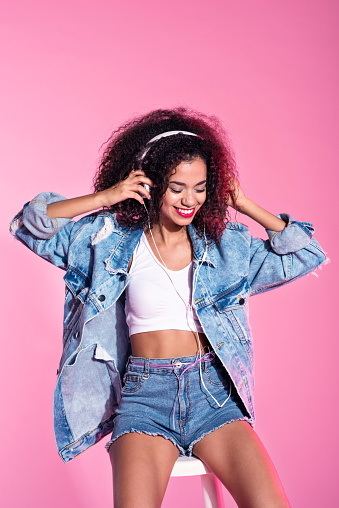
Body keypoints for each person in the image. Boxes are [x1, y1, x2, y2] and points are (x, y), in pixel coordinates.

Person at [10, 108, 327, 508]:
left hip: (214, 396)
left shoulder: (226, 246)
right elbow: (30, 224)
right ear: (152, 182)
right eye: (177, 187)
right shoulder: (110, 240)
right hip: (145, 399)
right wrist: (106, 197)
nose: (190, 200)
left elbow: (306, 254)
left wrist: (244, 203)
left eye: (200, 187)